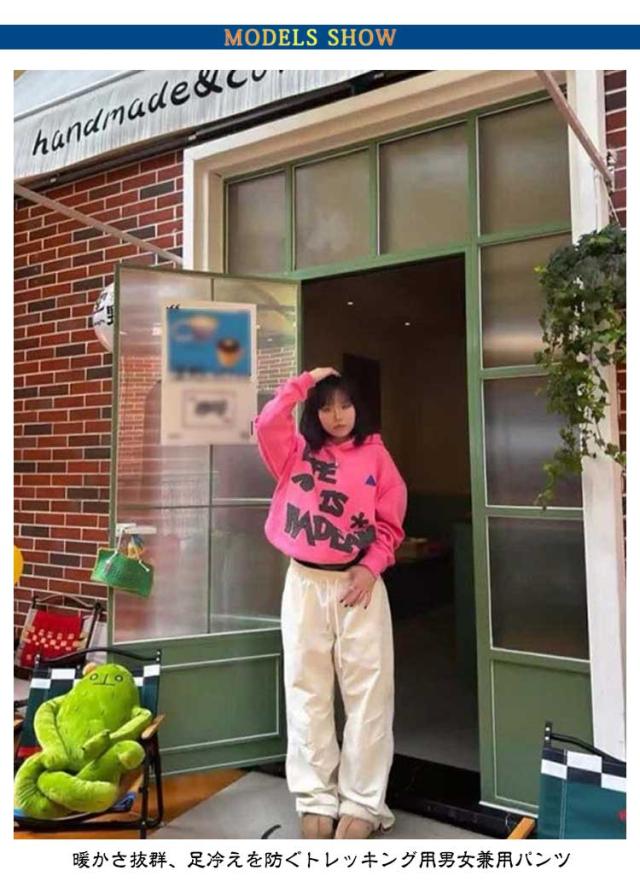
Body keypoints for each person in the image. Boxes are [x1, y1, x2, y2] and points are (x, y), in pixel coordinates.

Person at [254, 367, 407, 840]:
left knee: (369, 695)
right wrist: (302, 383)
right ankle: (315, 796)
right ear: (313, 412)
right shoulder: (295, 452)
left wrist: (371, 566)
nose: (337, 416)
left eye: (345, 404)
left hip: (358, 585)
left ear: (359, 407)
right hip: (304, 582)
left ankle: (363, 802)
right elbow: (267, 423)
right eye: (325, 407)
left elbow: (390, 523)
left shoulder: (377, 456)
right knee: (307, 688)